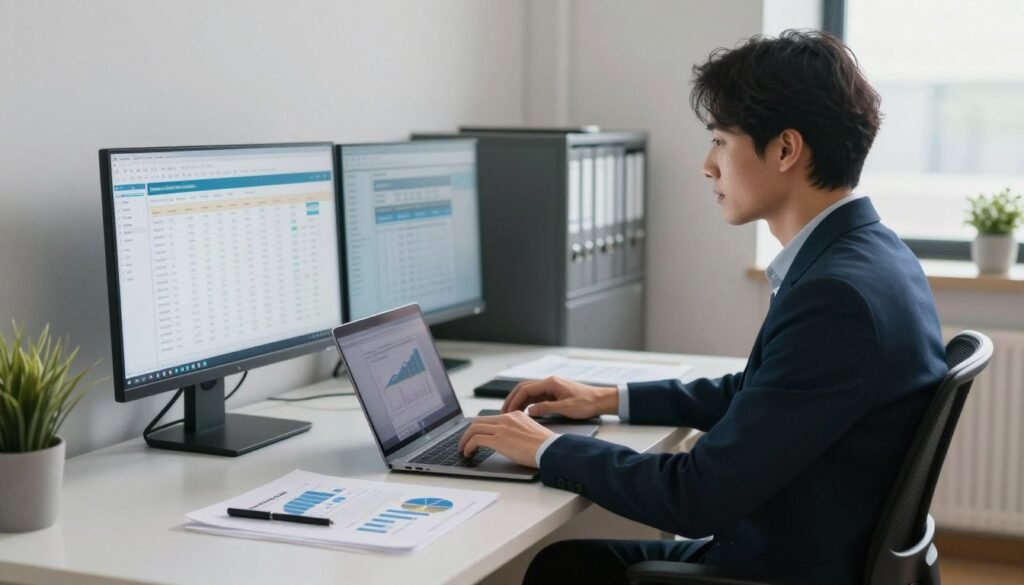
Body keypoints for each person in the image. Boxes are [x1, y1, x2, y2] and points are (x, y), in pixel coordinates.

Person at [457, 30, 948, 585]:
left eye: (719, 141)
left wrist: (549, 450)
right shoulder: (874, 255)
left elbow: (695, 497)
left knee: (565, 570)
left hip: (784, 571)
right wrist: (607, 398)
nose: (707, 166)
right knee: (567, 563)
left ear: (786, 149)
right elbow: (760, 394)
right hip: (811, 549)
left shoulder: (838, 296)